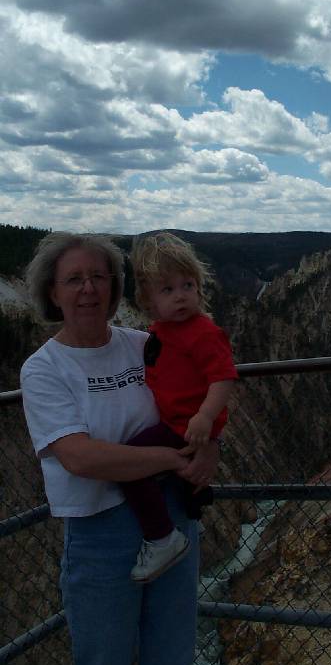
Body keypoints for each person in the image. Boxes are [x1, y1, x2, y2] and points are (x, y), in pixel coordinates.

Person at [20, 231, 219, 665]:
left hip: (173, 515)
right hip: (101, 534)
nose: (89, 289)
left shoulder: (145, 344)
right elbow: (79, 457)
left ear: (114, 286)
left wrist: (211, 444)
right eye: (74, 279)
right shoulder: (44, 369)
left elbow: (199, 396)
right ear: (53, 292)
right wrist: (171, 457)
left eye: (99, 276)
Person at [121, 232, 238, 583]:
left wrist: (205, 417)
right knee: (185, 478)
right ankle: (192, 511)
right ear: (149, 300)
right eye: (168, 289)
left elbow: (223, 377)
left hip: (183, 425)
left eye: (188, 285)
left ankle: (161, 538)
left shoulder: (203, 332)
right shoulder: (161, 330)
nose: (181, 296)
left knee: (130, 464)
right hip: (180, 423)